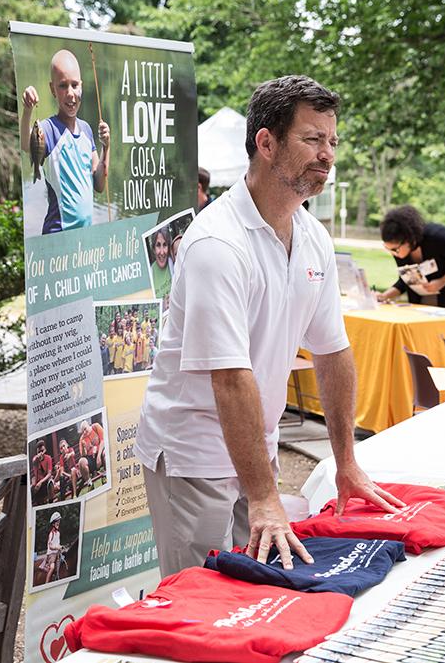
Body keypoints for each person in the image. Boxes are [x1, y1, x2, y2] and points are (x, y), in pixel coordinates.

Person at [135, 75, 402, 577]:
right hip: (194, 452)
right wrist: (262, 496)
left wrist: (346, 462)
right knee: (200, 599)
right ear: (266, 143)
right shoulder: (218, 243)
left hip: (257, 444)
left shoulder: (312, 235)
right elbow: (229, 377)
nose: (328, 154)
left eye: (332, 141)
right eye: (312, 139)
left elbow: (332, 351)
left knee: (258, 588)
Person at [20, 49, 110, 234]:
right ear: (52, 89)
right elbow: (25, 144)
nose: (70, 93)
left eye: (74, 85)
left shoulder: (86, 130)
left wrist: (106, 147)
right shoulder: (48, 129)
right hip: (57, 234)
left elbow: (99, 185)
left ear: (81, 87)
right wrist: (28, 110)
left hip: (84, 235)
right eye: (63, 86)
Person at [376, 205, 445, 311]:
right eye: (388, 249)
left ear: (408, 240)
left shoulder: (437, 236)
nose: (393, 253)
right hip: (433, 290)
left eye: (394, 249)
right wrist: (384, 296)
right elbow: (407, 279)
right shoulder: (400, 251)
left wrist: (441, 282)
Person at [41, 512, 66, 584]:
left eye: (59, 521)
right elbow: (50, 546)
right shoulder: (51, 534)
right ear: (53, 524)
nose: (58, 523)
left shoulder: (58, 533)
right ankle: (46, 583)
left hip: (57, 553)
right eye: (57, 522)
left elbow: (57, 544)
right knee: (52, 567)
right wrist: (57, 547)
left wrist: (61, 547)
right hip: (51, 555)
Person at [148, 229, 172, 299]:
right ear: (153, 249)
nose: (162, 252)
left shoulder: (175, 265)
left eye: (165, 245)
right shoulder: (149, 274)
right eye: (158, 245)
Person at [31, 439, 55, 505]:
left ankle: (51, 502)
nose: (41, 453)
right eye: (39, 451)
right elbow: (34, 461)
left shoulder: (48, 458)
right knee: (32, 487)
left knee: (50, 483)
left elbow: (49, 473)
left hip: (45, 481)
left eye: (42, 450)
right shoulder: (35, 459)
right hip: (37, 482)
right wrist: (38, 458)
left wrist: (41, 482)